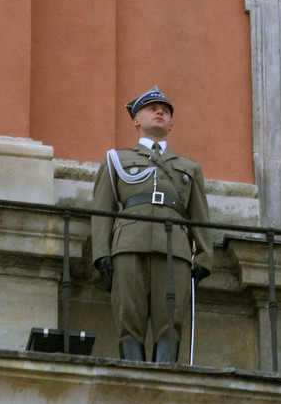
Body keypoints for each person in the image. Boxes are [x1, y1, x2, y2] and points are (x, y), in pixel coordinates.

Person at [91, 88, 213, 363]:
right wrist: (101, 254)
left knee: (169, 321)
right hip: (129, 244)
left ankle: (164, 377)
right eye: (152, 108)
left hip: (175, 249)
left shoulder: (189, 167)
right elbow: (102, 209)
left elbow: (199, 215)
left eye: (165, 110)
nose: (160, 112)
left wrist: (205, 256)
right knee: (129, 317)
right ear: (136, 120)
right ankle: (134, 373)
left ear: (171, 124)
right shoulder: (116, 160)